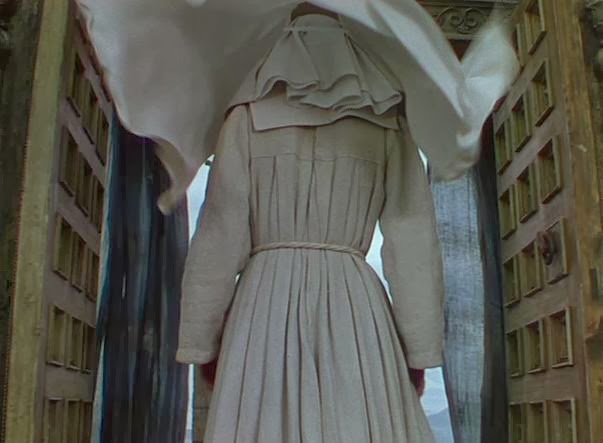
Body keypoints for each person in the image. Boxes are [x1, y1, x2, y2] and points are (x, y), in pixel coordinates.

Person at [176, 9, 444, 442]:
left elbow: (221, 234)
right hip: (355, 306)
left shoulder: (245, 118)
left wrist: (201, 341)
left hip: (264, 303)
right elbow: (412, 237)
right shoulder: (386, 120)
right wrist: (419, 350)